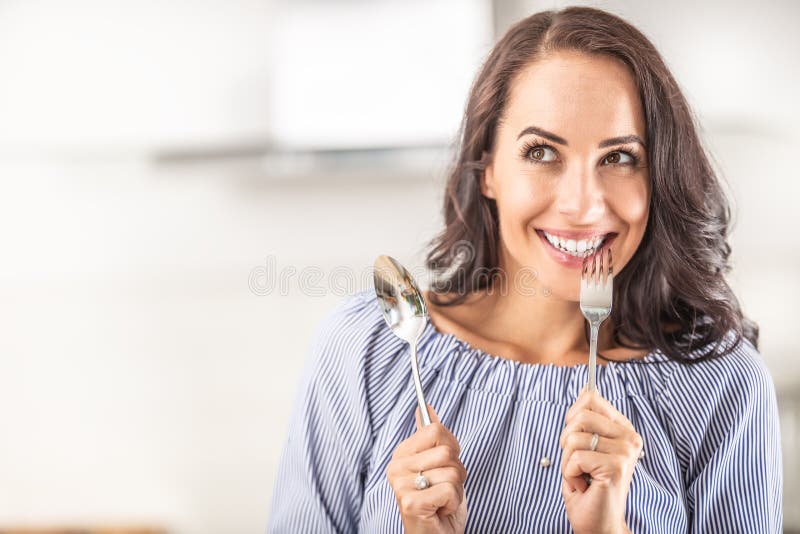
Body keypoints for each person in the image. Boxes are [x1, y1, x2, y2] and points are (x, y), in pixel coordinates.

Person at [267, 6, 783, 533]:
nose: (582, 205)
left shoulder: (723, 386)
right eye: (541, 152)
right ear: (488, 168)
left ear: (659, 177)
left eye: (619, 158)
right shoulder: (368, 347)